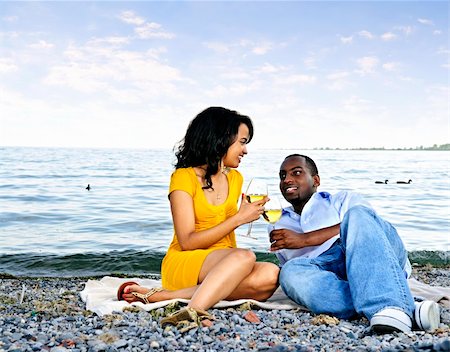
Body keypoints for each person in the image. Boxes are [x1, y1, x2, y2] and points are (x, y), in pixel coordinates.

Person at [117, 107, 279, 327]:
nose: (245, 150)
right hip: (187, 260)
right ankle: (194, 309)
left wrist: (247, 216)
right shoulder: (183, 178)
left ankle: (164, 296)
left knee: (270, 274)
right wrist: (238, 219)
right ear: (221, 139)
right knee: (245, 257)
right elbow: (187, 241)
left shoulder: (237, 179)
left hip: (225, 263)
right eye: (242, 142)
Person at [269, 154, 440, 334]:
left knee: (358, 214)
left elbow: (368, 227)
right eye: (282, 176)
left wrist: (304, 239)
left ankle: (390, 305)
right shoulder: (277, 221)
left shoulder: (342, 200)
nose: (287, 179)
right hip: (325, 271)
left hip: (367, 253)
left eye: (296, 173)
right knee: (290, 273)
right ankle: (403, 305)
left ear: (316, 180)